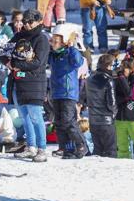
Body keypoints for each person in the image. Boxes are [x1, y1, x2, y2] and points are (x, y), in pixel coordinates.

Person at [9, 9, 50, 163]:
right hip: (18, 81)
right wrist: (9, 62)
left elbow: (38, 62)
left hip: (34, 82)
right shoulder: (19, 36)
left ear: (39, 21)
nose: (26, 24)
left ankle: (42, 148)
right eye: (24, 21)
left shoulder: (42, 39)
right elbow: (4, 50)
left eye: (29, 21)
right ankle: (31, 146)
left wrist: (17, 64)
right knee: (24, 116)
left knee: (35, 116)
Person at [49, 24, 86, 158]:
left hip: (68, 92)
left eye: (55, 41)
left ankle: (81, 145)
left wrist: (72, 47)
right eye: (52, 41)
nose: (53, 43)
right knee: (58, 122)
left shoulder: (70, 53)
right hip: (56, 92)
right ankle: (65, 147)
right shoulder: (54, 55)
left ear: (64, 42)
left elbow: (78, 62)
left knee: (68, 121)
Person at [85, 54, 118, 157]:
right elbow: (111, 103)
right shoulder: (108, 80)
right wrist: (114, 114)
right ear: (109, 66)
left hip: (93, 119)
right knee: (110, 150)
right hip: (106, 120)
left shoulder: (90, 78)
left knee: (97, 150)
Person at [114, 58, 134, 159]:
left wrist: (122, 78)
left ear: (132, 69)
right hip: (120, 117)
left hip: (133, 118)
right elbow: (115, 97)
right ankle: (123, 165)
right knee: (122, 147)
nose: (121, 70)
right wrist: (125, 98)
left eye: (124, 68)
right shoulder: (118, 79)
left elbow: (130, 93)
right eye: (121, 67)